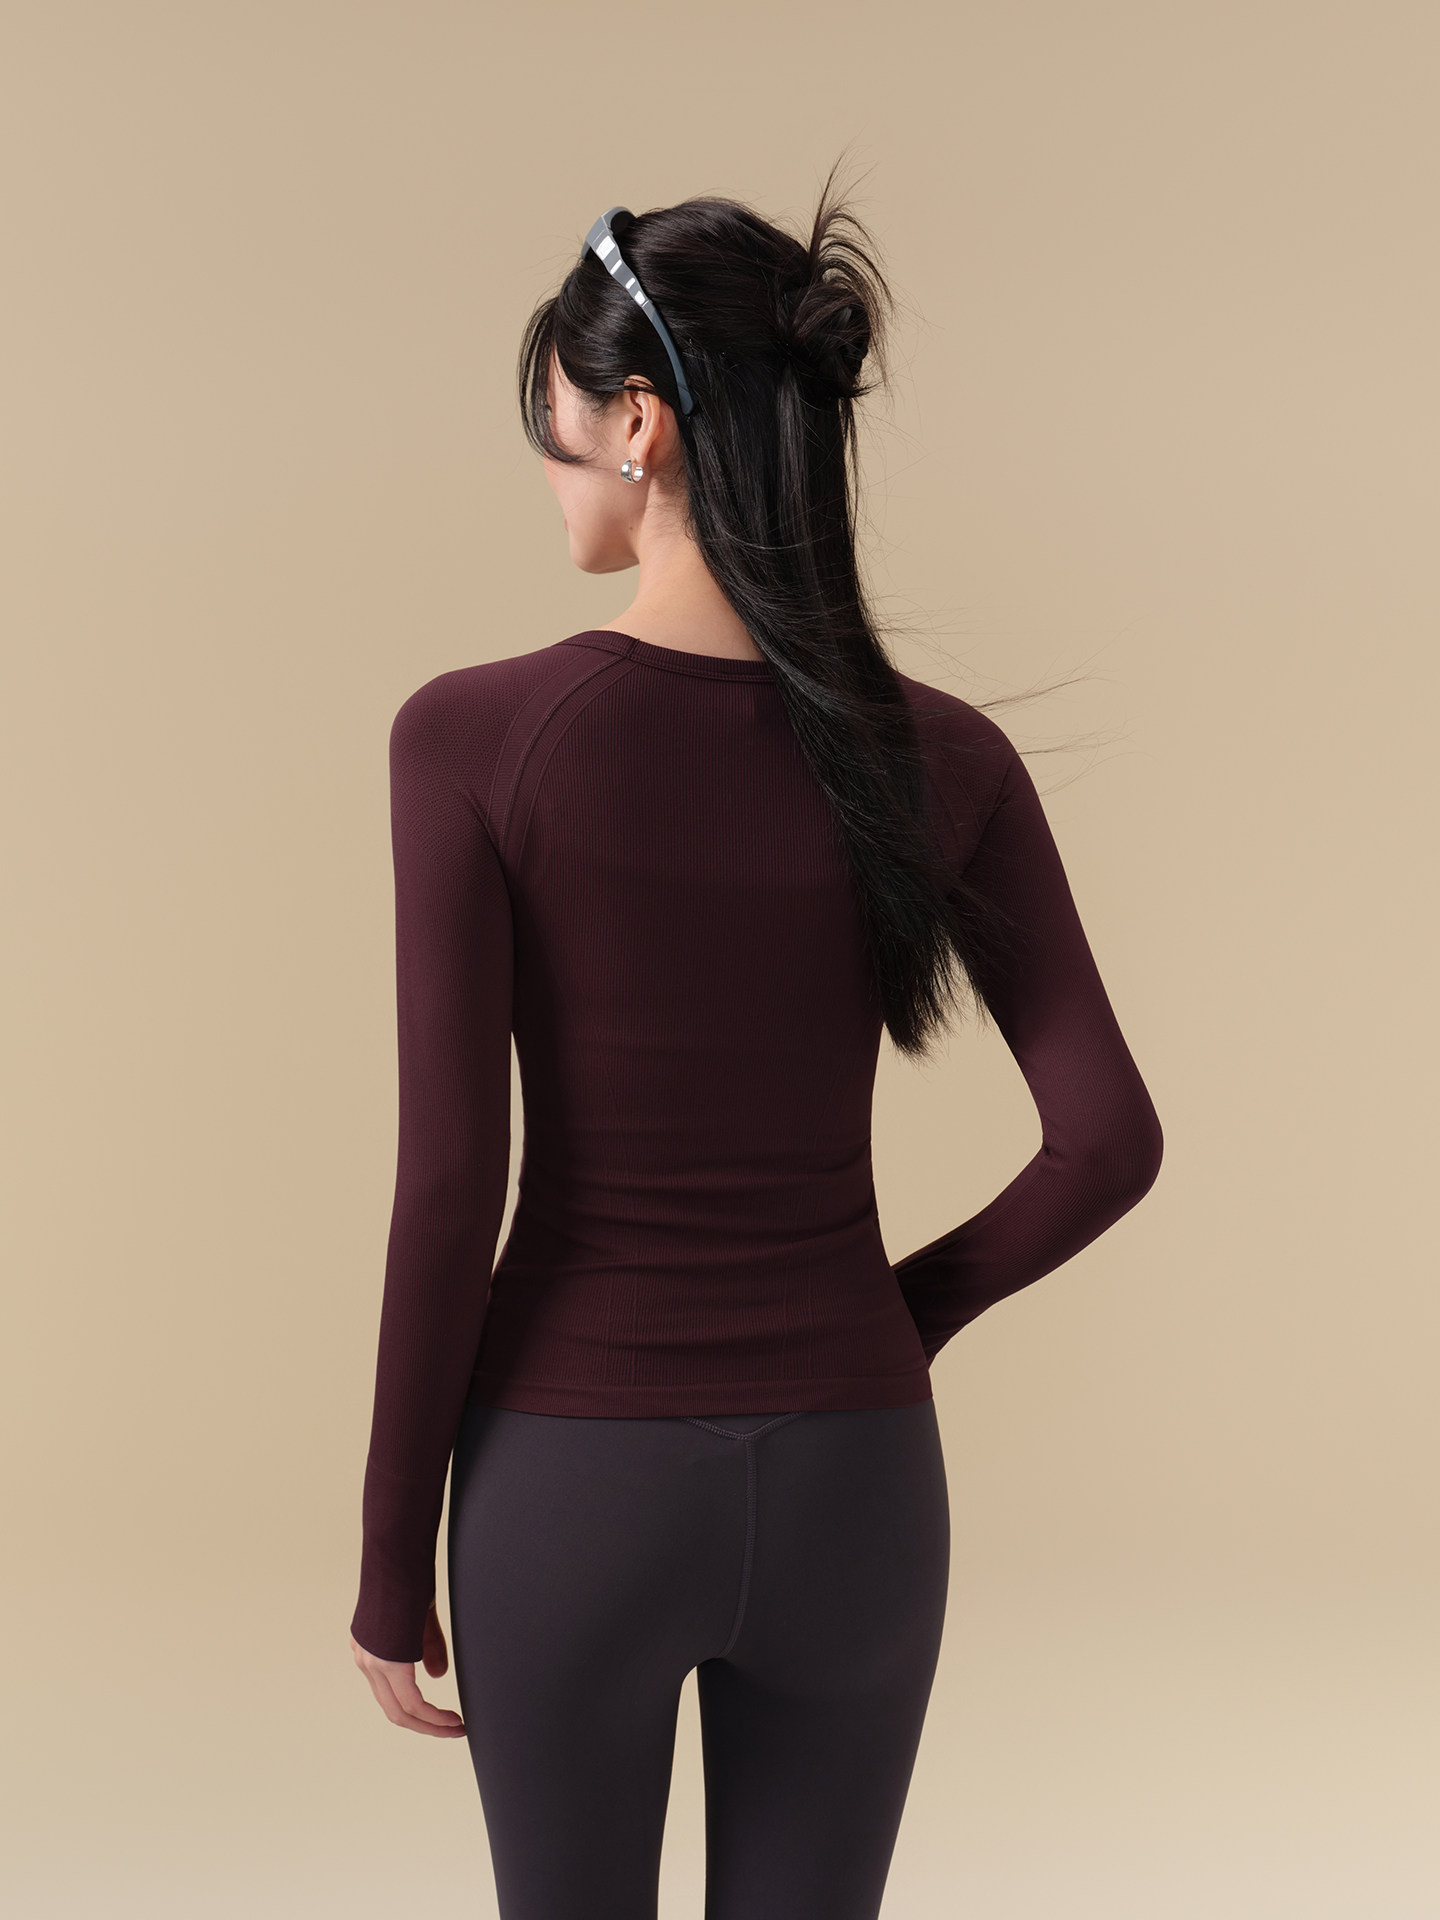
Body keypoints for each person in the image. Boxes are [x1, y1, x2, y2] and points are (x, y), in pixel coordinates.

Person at [347, 173, 1164, 1920]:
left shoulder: (474, 740)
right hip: (858, 1478)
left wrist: (387, 1561)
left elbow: (449, 1190)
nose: (546, 461)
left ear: (636, 423)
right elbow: (1109, 1143)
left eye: (551, 420)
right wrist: (897, 1315)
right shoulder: (945, 757)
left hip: (572, 1481)